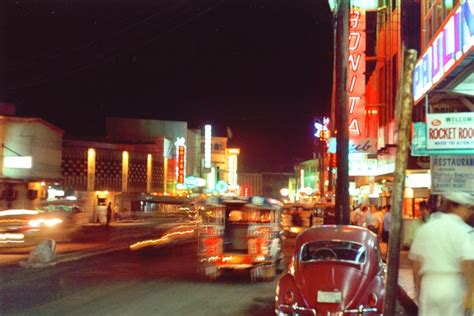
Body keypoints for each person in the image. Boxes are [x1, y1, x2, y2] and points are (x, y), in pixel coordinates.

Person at [408, 192, 474, 316]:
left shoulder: (425, 229)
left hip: (429, 285)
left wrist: (418, 289)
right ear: (453, 206)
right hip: (453, 285)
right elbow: (467, 263)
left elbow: (416, 263)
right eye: (468, 208)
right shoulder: (465, 231)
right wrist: (469, 293)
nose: (470, 212)